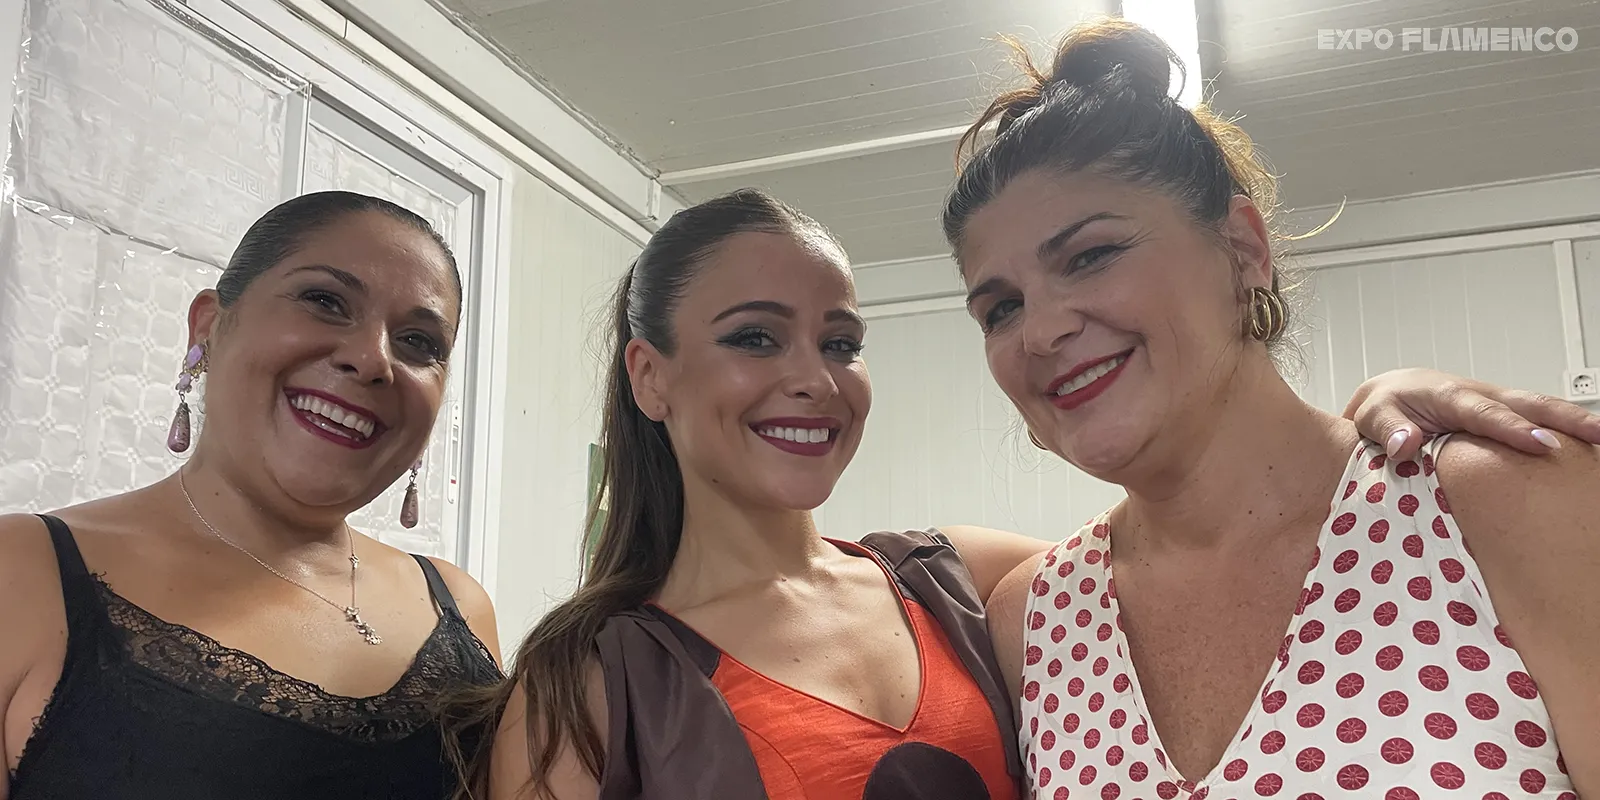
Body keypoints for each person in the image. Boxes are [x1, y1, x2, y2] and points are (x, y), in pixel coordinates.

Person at [455, 188, 1599, 800]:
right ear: (649, 373)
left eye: (841, 339)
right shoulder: (588, 683)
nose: (813, 376)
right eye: (755, 336)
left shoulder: (972, 586)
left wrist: (1379, 413)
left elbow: (1222, 535)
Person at [958, 19, 1600, 800]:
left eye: (1091, 256)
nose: (1041, 330)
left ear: (1244, 249)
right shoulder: (1033, 620)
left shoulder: (1504, 502)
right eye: (1000, 309)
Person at [0, 191, 503, 799]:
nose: (374, 360)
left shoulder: (462, 607)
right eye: (325, 301)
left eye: (420, 342)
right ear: (208, 327)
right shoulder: (21, 572)